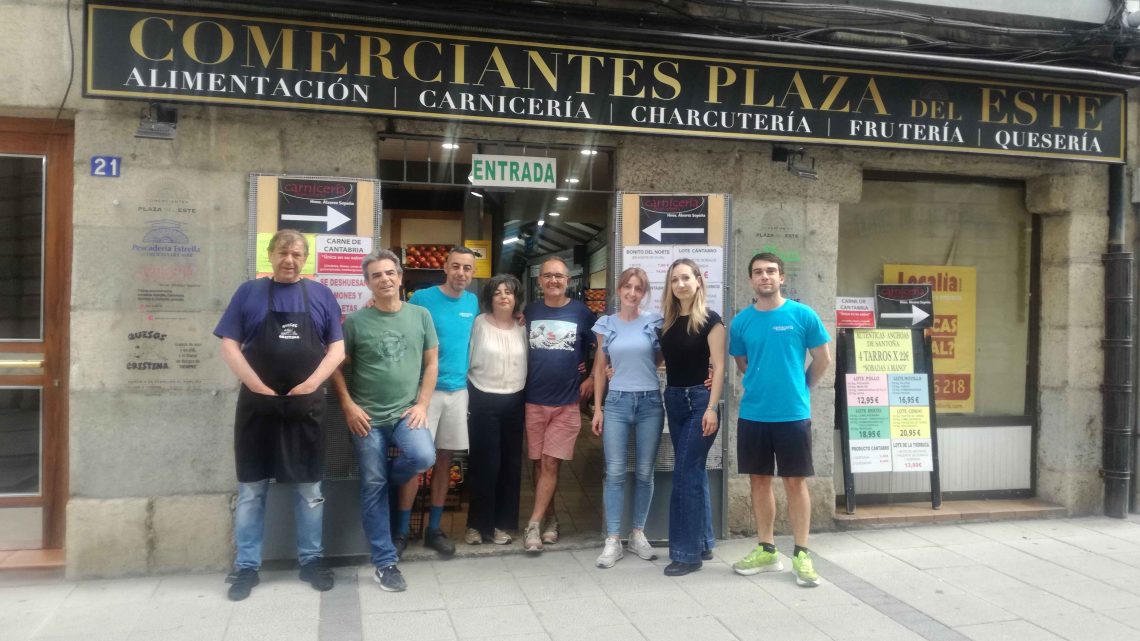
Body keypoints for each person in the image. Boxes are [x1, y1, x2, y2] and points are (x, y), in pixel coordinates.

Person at [214, 229, 345, 601]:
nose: (290, 259)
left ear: (306, 259)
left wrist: (311, 385)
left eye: (297, 254)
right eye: (283, 252)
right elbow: (229, 346)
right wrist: (256, 385)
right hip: (258, 406)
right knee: (252, 490)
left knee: (309, 490)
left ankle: (311, 560)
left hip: (306, 407)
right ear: (269, 255)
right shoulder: (248, 293)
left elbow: (336, 350)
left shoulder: (321, 295)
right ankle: (246, 567)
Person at [332, 249, 438, 592]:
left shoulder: (420, 315)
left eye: (390, 273)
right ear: (367, 283)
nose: (385, 279)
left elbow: (432, 363)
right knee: (372, 485)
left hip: (406, 412)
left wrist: (422, 404)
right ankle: (385, 562)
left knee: (423, 457)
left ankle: (391, 478)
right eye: (377, 275)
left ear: (400, 276)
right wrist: (348, 405)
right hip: (367, 419)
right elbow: (335, 366)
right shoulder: (355, 322)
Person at [728, 252, 831, 587]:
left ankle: (802, 553)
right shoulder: (741, 322)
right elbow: (742, 363)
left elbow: (822, 358)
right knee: (758, 481)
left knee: (795, 482)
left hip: (792, 415)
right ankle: (767, 549)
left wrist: (801, 387)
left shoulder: (803, 315)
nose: (765, 277)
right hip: (754, 414)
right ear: (751, 280)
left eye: (771, 271)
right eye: (758, 272)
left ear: (782, 277)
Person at [397, 246, 479, 558]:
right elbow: (400, 323)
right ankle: (403, 531)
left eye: (467, 268)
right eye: (456, 266)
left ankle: (433, 529)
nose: (461, 273)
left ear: (472, 273)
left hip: (458, 393)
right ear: (445, 267)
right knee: (418, 462)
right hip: (424, 394)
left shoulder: (472, 303)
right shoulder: (422, 298)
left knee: (445, 460)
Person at [590, 267, 664, 568]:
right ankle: (612, 540)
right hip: (617, 402)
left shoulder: (653, 322)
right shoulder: (606, 324)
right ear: (618, 290)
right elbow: (599, 369)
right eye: (627, 287)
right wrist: (597, 408)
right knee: (616, 472)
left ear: (644, 293)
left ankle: (637, 533)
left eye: (638, 288)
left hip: (649, 402)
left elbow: (660, 359)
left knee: (645, 472)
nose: (632, 293)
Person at [522, 256, 596, 553]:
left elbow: (603, 345)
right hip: (533, 399)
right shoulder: (529, 312)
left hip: (566, 401)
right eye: (548, 276)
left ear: (568, 280)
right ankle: (550, 520)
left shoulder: (582, 313)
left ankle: (533, 525)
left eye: (559, 276)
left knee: (551, 462)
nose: (553, 281)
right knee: (539, 464)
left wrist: (591, 376)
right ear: (540, 281)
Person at [658, 258, 725, 577]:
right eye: (674, 280)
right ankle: (703, 541)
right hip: (674, 398)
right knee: (694, 472)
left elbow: (721, 367)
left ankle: (687, 554)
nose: (680, 284)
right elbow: (658, 359)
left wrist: (712, 406)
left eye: (686, 278)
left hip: (701, 401)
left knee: (684, 472)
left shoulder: (711, 320)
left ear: (698, 281)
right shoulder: (668, 322)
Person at [464, 274, 528, 545]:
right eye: (498, 292)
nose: (504, 296)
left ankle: (502, 525)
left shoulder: (522, 326)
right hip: (482, 398)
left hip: (515, 400)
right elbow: (466, 358)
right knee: (485, 464)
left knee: (510, 465)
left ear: (516, 299)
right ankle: (477, 525)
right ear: (490, 298)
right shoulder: (478, 323)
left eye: (509, 292)